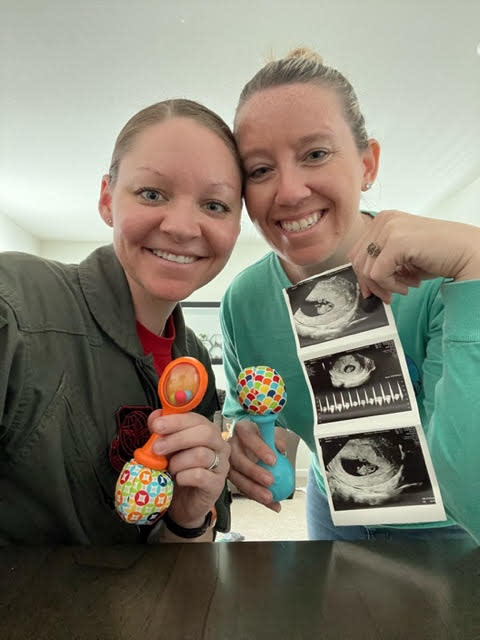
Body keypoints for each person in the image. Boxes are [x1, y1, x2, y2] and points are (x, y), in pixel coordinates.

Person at [220, 48, 480, 544]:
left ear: (367, 163)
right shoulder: (244, 302)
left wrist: (477, 264)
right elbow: (251, 411)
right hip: (332, 510)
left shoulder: (441, 283)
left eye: (315, 154)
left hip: (451, 526)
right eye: (259, 170)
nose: (290, 192)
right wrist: (248, 442)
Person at [0, 98, 243, 544]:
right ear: (107, 199)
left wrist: (188, 518)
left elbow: (184, 568)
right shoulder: (14, 306)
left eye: (215, 205)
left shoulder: (196, 368)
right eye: (152, 194)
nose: (184, 227)